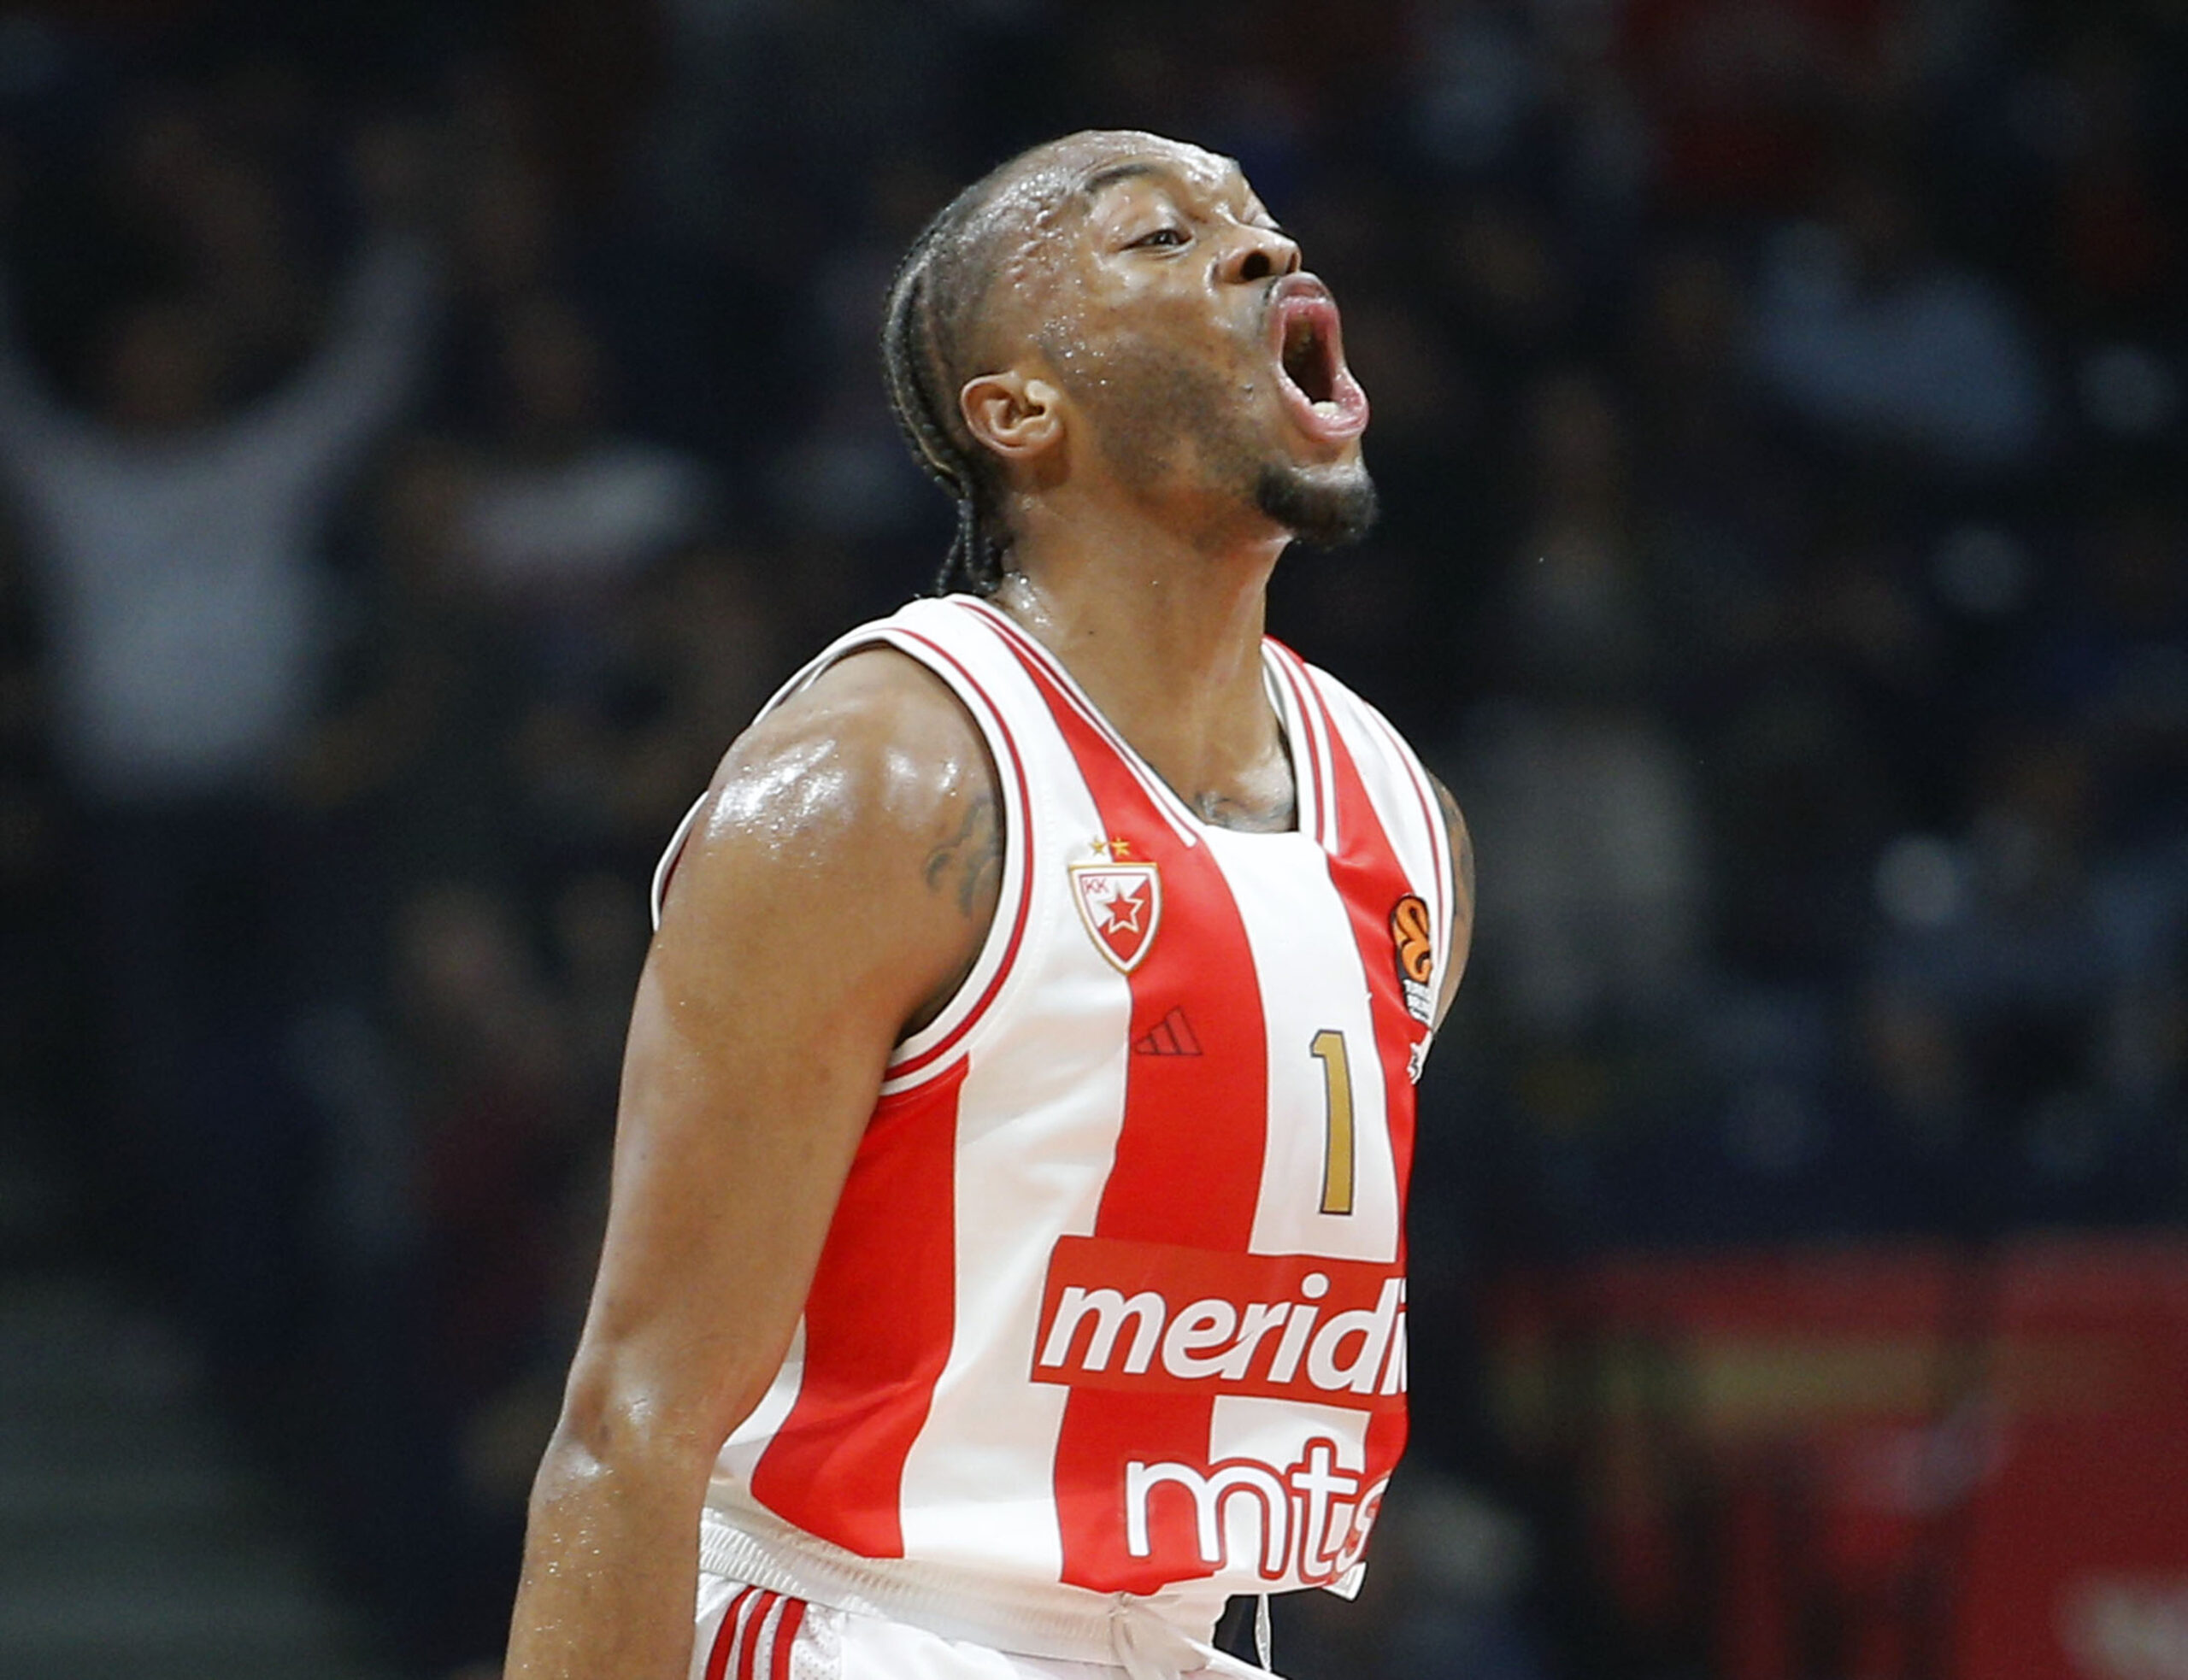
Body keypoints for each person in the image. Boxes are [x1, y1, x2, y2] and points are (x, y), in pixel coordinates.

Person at [505, 129, 1476, 1680]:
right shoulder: (883, 781)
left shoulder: (1405, 826)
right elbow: (632, 1423)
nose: (1265, 250)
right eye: (1159, 239)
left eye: (1260, 223)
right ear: (1019, 411)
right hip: (857, 1625)